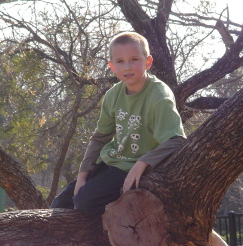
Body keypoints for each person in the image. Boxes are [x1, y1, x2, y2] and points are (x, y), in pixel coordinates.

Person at [50, 32, 186, 214]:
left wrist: (142, 163)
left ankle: (116, 235)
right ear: (112, 66)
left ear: (148, 62)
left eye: (134, 59)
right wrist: (83, 177)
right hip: (111, 163)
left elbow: (176, 140)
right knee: (60, 205)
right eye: (120, 61)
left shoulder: (159, 96)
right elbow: (100, 138)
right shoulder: (113, 94)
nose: (127, 67)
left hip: (134, 169)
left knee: (85, 203)